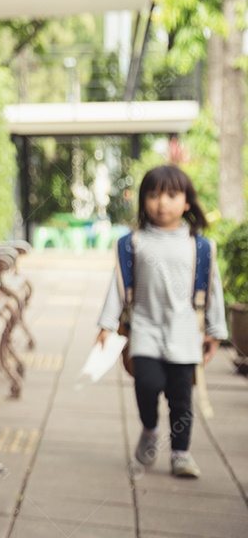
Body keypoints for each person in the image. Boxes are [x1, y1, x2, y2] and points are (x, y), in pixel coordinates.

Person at [95, 165, 228, 478]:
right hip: (144, 329)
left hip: (185, 334)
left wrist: (215, 331)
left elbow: (213, 288)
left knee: (181, 399)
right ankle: (150, 429)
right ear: (143, 201)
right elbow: (117, 286)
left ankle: (181, 453)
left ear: (186, 203)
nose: (161, 202)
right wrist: (105, 324)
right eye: (153, 195)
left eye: (171, 195)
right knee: (148, 385)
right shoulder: (134, 243)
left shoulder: (201, 246)